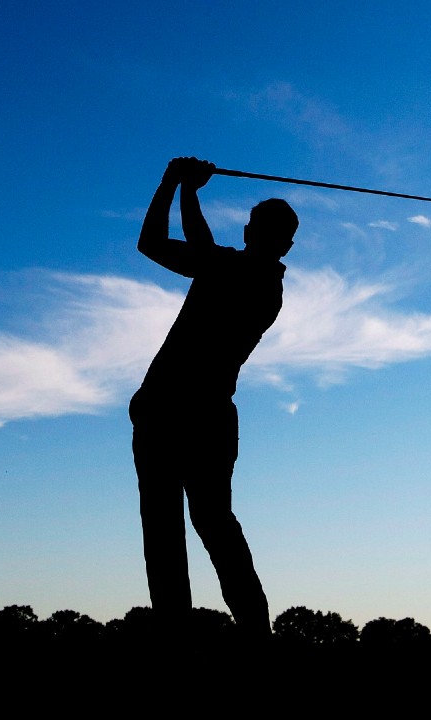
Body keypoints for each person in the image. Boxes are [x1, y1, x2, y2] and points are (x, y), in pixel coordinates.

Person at [129, 156, 297, 637]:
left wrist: (185, 187)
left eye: (263, 229)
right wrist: (172, 185)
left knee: (205, 526)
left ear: (276, 241)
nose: (255, 234)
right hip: (171, 414)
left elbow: (199, 247)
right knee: (179, 529)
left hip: (195, 417)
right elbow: (151, 243)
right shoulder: (226, 268)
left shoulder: (259, 281)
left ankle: (253, 636)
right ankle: (188, 638)